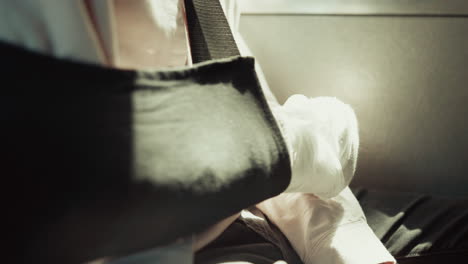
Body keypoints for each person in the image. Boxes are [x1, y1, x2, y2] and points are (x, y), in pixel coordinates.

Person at [2, 1, 466, 264]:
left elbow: (255, 113)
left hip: (255, 205)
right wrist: (316, 143)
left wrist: (336, 236)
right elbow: (80, 181)